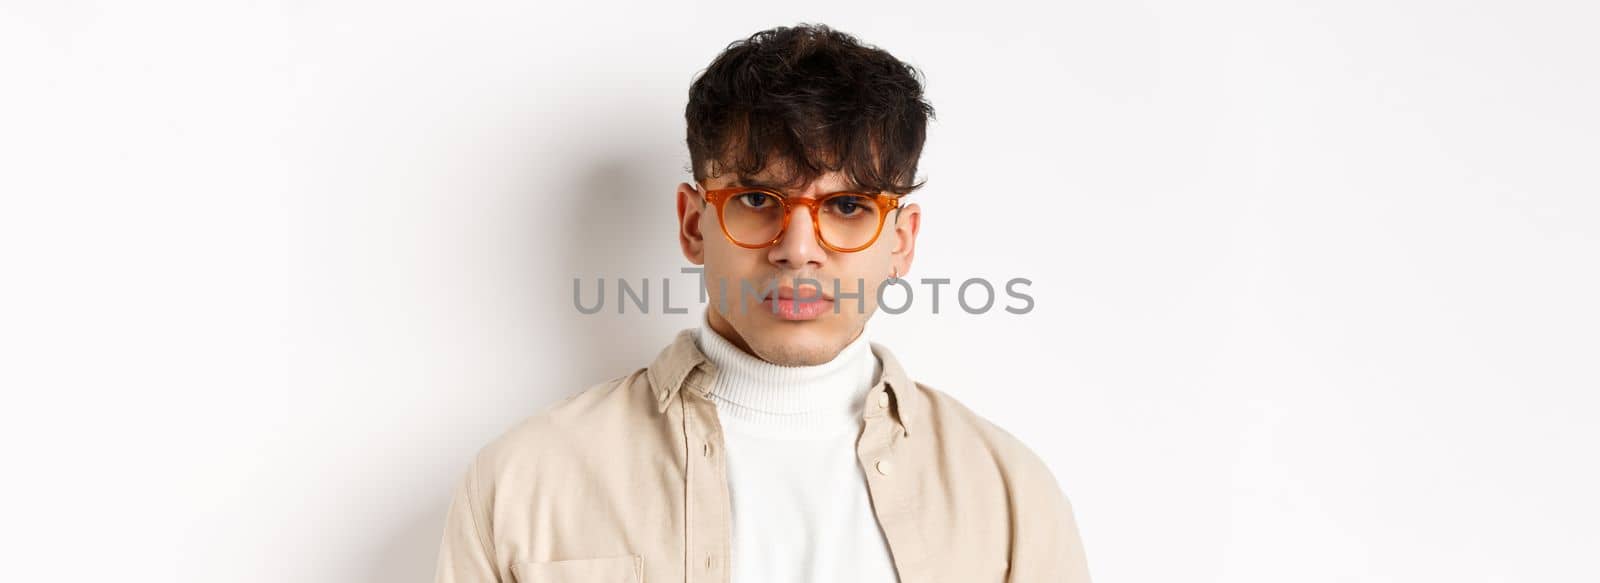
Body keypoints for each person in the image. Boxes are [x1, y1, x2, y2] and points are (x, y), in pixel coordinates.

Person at [433, 22, 1091, 583]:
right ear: (694, 223)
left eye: (848, 206)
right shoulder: (523, 483)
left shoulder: (1009, 498)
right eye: (755, 200)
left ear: (901, 242)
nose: (798, 249)